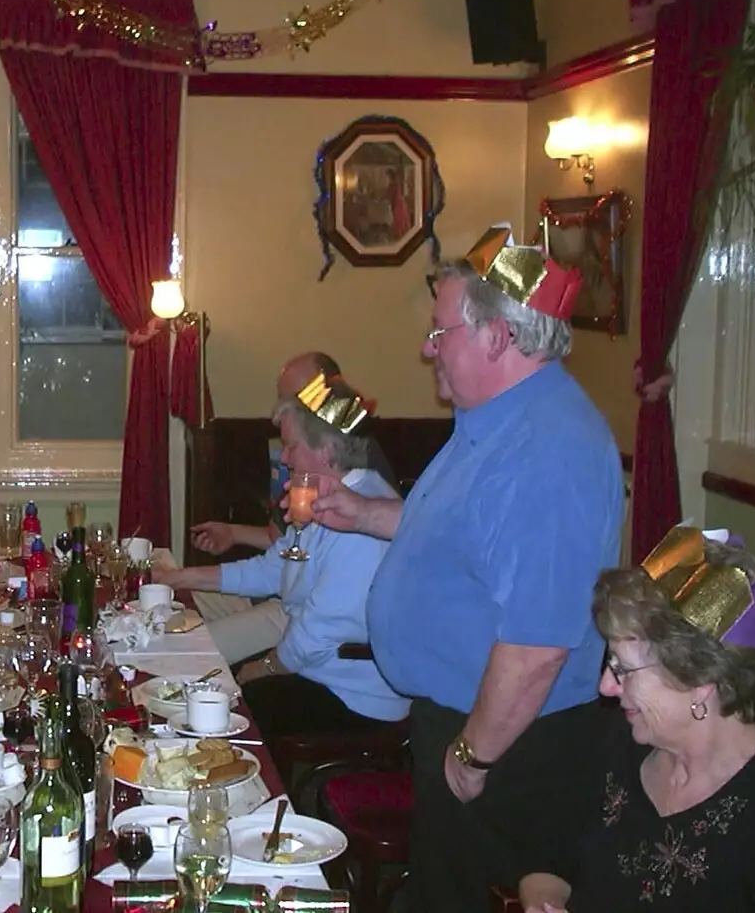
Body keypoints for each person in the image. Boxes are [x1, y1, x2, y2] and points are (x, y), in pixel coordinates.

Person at [308, 225, 623, 911]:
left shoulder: (549, 451)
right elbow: (467, 541)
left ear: (498, 336)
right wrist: (366, 517)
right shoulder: (495, 421)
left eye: (440, 331)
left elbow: (539, 645)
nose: (428, 348)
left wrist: (473, 753)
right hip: (465, 720)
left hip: (511, 742)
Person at [518, 526, 755, 912]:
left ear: (699, 681)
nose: (606, 686)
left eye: (622, 669)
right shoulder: (611, 742)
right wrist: (545, 901)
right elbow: (546, 858)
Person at [153, 387, 406, 738]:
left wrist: (264, 667)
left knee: (223, 704)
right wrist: (179, 578)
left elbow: (319, 630)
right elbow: (272, 569)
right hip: (320, 670)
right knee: (211, 690)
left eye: (291, 446)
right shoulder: (333, 500)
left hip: (354, 698)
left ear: (327, 451)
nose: (284, 458)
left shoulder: (364, 520)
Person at [190, 351, 352, 661]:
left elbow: (310, 585)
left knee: (192, 649)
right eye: (284, 399)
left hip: (296, 608)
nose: (287, 410)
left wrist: (270, 668)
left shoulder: (345, 465)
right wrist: (232, 533)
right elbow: (279, 540)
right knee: (181, 604)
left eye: (299, 399)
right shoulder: (299, 458)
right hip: (277, 588)